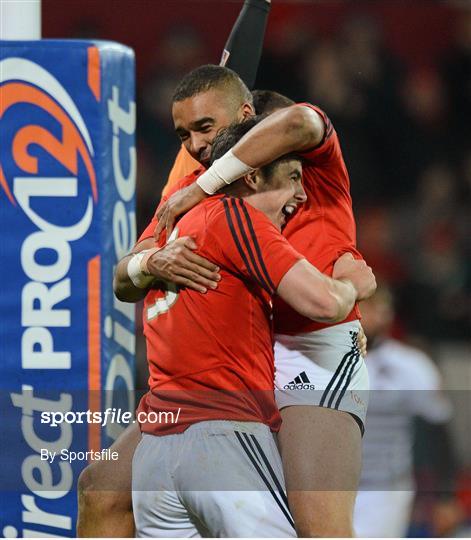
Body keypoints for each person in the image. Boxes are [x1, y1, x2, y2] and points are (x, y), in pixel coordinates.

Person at [77, 2, 271, 535]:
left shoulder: (284, 163)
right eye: (185, 135)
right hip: (182, 393)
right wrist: (153, 262)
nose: (195, 145)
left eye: (205, 129)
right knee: (100, 487)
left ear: (247, 115)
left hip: (270, 378)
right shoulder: (191, 174)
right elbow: (122, 277)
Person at [131, 118, 375, 537]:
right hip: (219, 432)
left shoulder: (172, 224)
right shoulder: (233, 215)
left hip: (154, 452)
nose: (302, 192)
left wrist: (142, 263)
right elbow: (325, 302)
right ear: (253, 173)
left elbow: (123, 279)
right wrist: (355, 285)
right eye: (294, 177)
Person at [353, 285, 453, 538]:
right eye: (364, 306)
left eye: (378, 307)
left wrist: (445, 496)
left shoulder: (411, 365)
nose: (371, 315)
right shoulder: (320, 361)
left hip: (384, 489)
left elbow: (437, 431)